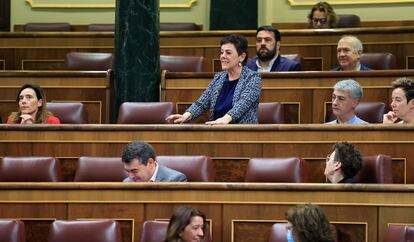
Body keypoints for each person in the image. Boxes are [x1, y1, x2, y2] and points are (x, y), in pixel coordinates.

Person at [166, 34, 261, 125]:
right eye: (221, 52)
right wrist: (185, 116)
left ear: (242, 56)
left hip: (243, 135)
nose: (223, 56)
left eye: (228, 53)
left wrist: (225, 119)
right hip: (216, 132)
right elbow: (202, 103)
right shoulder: (219, 77)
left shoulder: (252, 78)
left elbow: (243, 104)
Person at [122, 141, 187, 182]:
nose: (130, 176)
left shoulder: (175, 180)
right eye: (127, 171)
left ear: (150, 163)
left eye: (134, 171)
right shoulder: (127, 182)